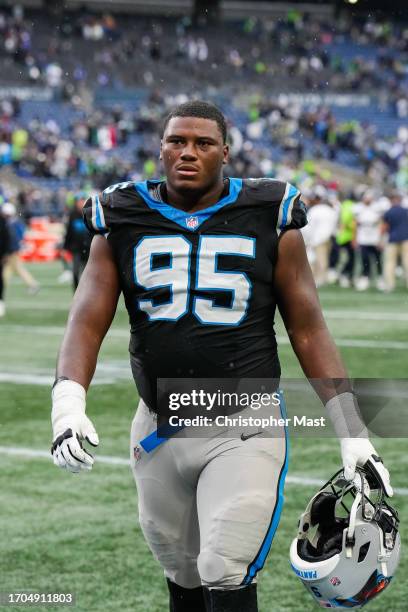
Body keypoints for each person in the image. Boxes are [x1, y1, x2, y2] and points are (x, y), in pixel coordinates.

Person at [50, 101, 392, 612]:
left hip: (243, 423)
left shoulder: (268, 212)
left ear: (226, 153)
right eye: (176, 141)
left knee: (223, 567)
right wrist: (68, 404)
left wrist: (352, 432)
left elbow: (307, 328)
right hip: (157, 425)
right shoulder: (122, 214)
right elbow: (87, 317)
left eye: (203, 143)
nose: (188, 152)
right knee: (181, 570)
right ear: (160, 148)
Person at [2, 202, 40, 295]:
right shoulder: (14, 222)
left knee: (16, 268)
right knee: (9, 269)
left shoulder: (11, 223)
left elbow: (14, 237)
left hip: (12, 250)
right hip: (13, 249)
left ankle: (33, 284)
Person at [61, 192, 93, 291]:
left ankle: (88, 294)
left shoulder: (90, 214)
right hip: (77, 249)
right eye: (79, 201)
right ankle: (76, 294)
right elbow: (69, 232)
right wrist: (65, 247)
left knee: (88, 274)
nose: (81, 203)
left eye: (82, 201)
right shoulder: (72, 215)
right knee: (75, 272)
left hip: (89, 249)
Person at [382, 191, 408, 291]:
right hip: (406, 238)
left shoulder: (389, 212)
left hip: (393, 239)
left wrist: (380, 239)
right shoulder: (406, 211)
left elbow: (385, 227)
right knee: (407, 262)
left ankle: (389, 285)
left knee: (390, 263)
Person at [0, 205, 11, 317]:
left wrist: (6, 253)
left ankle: (1, 301)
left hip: (0, 255)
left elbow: (6, 237)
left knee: (0, 279)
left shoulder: (2, 221)